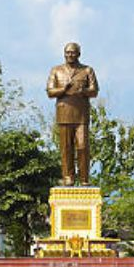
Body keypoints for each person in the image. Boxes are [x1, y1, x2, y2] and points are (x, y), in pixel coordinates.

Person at [46, 42, 99, 186]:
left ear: (78, 54)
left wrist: (83, 91)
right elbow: (50, 92)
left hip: (81, 114)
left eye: (73, 52)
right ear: (64, 54)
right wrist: (64, 89)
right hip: (64, 113)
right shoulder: (56, 70)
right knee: (66, 148)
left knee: (82, 147)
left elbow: (94, 91)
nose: (70, 55)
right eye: (68, 52)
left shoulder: (87, 70)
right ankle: (68, 177)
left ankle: (84, 178)